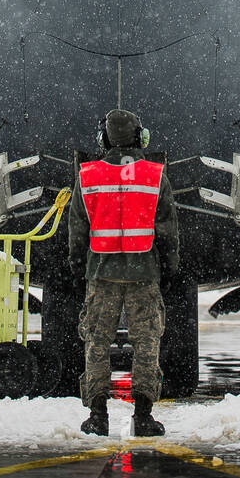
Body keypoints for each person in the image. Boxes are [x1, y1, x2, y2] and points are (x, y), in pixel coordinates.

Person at [69, 108, 179, 437]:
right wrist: (169, 267)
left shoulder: (87, 175)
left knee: (96, 343)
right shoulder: (154, 175)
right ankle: (143, 416)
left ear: (103, 139)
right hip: (143, 272)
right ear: (139, 137)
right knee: (146, 343)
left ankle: (98, 415)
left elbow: (77, 229)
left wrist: (79, 266)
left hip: (101, 273)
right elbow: (168, 230)